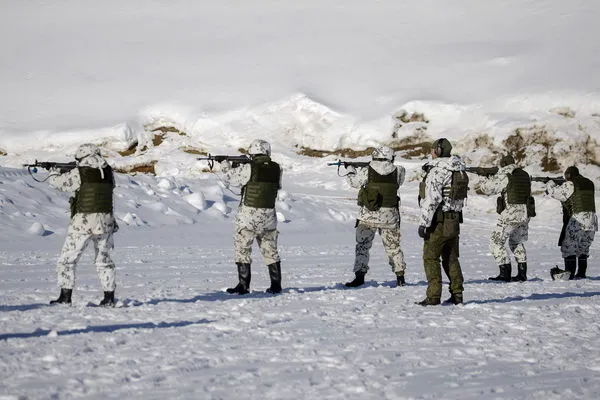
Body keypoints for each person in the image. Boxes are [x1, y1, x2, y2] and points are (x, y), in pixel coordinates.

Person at [48, 143, 119, 306]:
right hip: (106, 222)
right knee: (104, 260)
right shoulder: (108, 171)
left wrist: (53, 172)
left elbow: (58, 184)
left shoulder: (80, 171)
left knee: (67, 260)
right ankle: (109, 298)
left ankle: (65, 297)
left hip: (83, 223)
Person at [220, 139, 283, 294]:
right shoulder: (277, 168)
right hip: (269, 215)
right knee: (270, 250)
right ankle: (276, 285)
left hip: (248, 215)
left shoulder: (249, 167)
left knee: (243, 248)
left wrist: (224, 165)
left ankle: (243, 285)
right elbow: (277, 186)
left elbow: (231, 179)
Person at [343, 146, 407, 288]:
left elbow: (354, 183)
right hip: (389, 217)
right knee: (394, 247)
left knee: (362, 247)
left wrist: (350, 169)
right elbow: (399, 182)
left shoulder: (366, 170)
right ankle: (400, 276)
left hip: (368, 217)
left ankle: (359, 277)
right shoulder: (399, 171)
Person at [416, 138, 468, 305]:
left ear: (437, 151)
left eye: (433, 150)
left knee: (430, 258)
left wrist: (424, 223)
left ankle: (433, 296)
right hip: (454, 220)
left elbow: (432, 199)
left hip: (438, 221)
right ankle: (457, 294)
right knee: (451, 258)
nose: (431, 153)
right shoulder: (459, 170)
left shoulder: (439, 170)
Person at [477, 154, 533, 282]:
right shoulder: (524, 175)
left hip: (511, 215)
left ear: (503, 164)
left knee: (495, 242)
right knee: (516, 242)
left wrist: (483, 177)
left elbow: (487, 189)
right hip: (525, 214)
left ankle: (505, 274)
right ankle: (522, 273)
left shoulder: (506, 175)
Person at [546, 166, 597, 280]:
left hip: (578, 218)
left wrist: (549, 183)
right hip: (592, 219)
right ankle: (581, 273)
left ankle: (570, 274)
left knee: (569, 246)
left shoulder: (570, 184)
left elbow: (558, 194)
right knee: (583, 247)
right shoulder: (589, 183)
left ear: (568, 175)